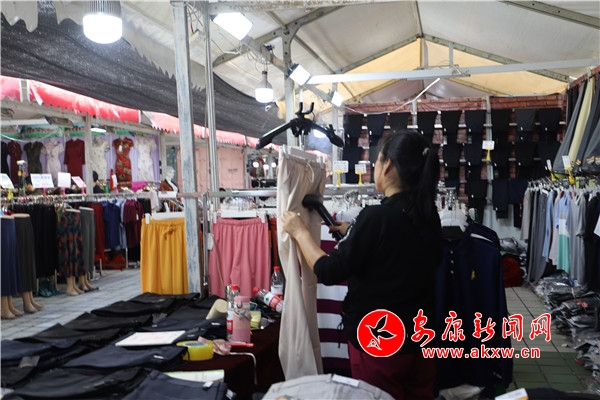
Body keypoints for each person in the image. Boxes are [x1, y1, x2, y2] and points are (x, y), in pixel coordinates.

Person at [281, 130, 443, 400]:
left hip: (381, 342)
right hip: (420, 337)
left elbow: (328, 271)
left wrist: (300, 233)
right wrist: (354, 234)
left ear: (387, 165)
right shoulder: (428, 216)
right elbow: (397, 252)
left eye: (376, 161)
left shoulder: (377, 217)